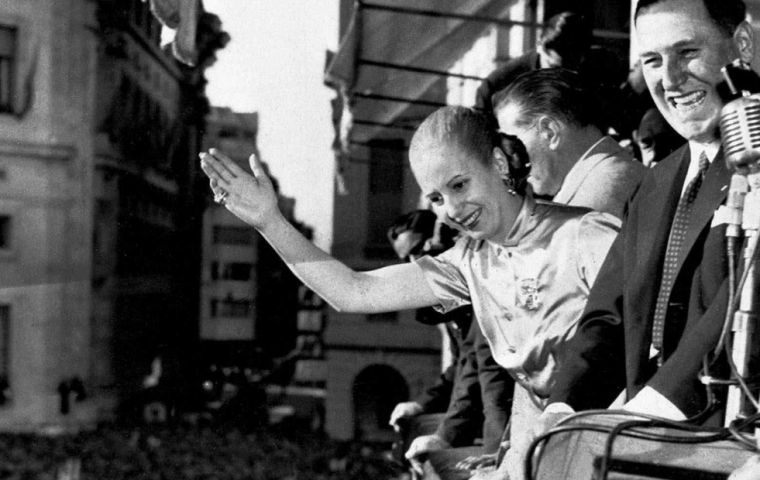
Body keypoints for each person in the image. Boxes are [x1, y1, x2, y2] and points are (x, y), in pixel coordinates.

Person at [199, 106, 620, 480]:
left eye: (459, 185)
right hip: (543, 447)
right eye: (436, 197)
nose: (452, 211)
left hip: (611, 441)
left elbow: (639, 350)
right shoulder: (469, 261)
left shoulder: (586, 233)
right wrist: (269, 222)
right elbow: (354, 292)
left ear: (496, 162)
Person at [541, 0, 755, 428]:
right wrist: (564, 409)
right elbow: (609, 314)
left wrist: (654, 409)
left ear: (741, 45)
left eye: (688, 52)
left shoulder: (755, 154)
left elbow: (744, 303)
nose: (671, 80)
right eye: (652, 61)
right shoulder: (656, 183)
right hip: (647, 437)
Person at [493, 68, 645, 219]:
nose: (511, 162)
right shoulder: (628, 173)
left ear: (550, 132)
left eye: (512, 145)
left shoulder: (581, 213)